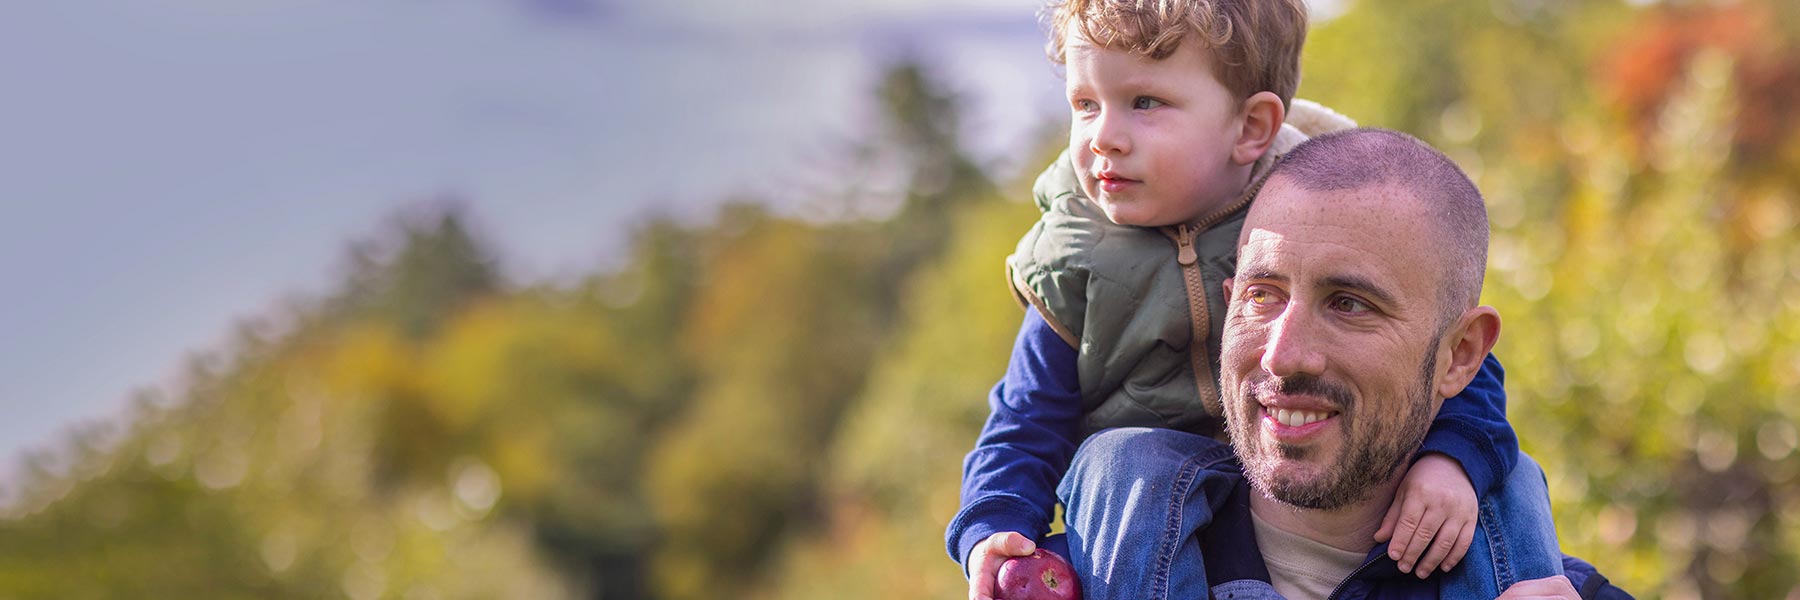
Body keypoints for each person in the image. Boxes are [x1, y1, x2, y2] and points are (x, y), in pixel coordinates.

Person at [947, 0, 1548, 597]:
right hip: (1141, 516)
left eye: (1145, 103)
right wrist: (995, 528)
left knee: (1507, 476)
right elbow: (1025, 418)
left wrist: (1451, 460)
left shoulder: (1315, 209)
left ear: (1251, 128)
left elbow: (1450, 360)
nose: (1104, 137)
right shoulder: (1071, 253)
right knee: (1125, 458)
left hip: (1312, 481)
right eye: (1085, 104)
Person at [1055, 128, 1631, 599]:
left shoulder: (1544, 587)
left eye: (1349, 304)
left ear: (1461, 356)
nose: (1283, 353)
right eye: (1263, 296)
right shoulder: (1080, 572)